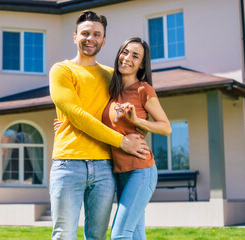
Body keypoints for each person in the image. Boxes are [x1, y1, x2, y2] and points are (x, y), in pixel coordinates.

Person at [49, 11, 150, 240]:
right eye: (85, 33)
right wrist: (121, 141)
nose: (90, 38)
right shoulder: (61, 70)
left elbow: (136, 103)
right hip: (68, 163)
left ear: (104, 41)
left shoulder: (113, 75)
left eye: (97, 34)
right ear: (74, 36)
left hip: (105, 167)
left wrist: (139, 126)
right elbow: (77, 114)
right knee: (63, 235)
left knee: (97, 236)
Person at [103, 37, 171, 239]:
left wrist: (138, 121)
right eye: (125, 52)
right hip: (120, 173)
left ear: (141, 64)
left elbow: (166, 128)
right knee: (135, 234)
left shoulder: (143, 89)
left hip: (141, 171)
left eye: (135, 56)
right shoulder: (111, 91)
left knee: (120, 235)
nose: (127, 58)